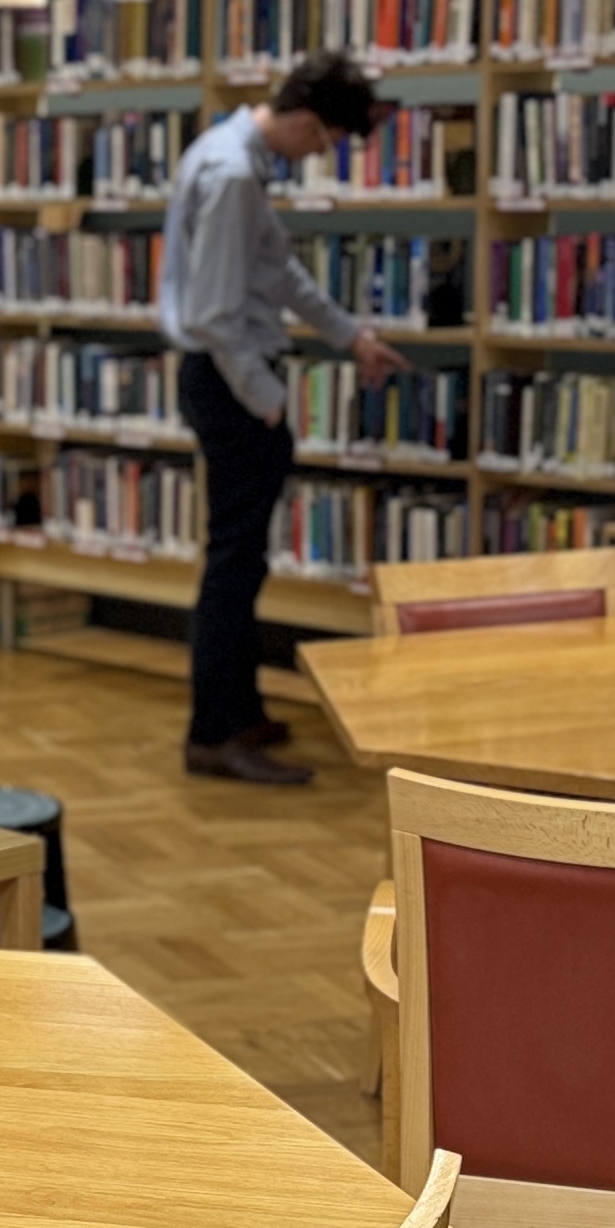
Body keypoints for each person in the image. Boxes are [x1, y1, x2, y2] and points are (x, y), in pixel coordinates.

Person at [160, 51, 404, 785]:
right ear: (302, 119)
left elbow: (275, 270)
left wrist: (348, 335)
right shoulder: (235, 175)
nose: (319, 156)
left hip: (232, 381)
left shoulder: (230, 151)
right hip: (235, 385)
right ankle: (214, 733)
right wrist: (265, 400)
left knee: (243, 559)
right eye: (324, 141)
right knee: (234, 565)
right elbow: (212, 315)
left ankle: (237, 710)